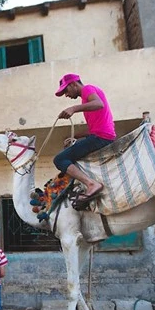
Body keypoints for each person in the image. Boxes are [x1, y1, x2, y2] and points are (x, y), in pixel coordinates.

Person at [53, 73, 116, 210]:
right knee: (69, 154)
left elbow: (99, 104)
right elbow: (94, 129)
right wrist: (76, 136)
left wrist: (73, 109)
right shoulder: (86, 100)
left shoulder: (87, 89)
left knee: (59, 159)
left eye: (66, 91)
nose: (66, 95)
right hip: (101, 136)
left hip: (101, 138)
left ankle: (91, 184)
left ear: (74, 84)